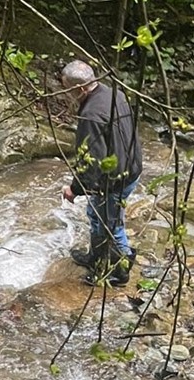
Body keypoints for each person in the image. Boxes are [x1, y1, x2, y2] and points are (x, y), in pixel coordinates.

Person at [60, 60, 142, 285]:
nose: (65, 94)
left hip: (115, 179)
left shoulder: (91, 115)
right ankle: (96, 257)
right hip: (130, 166)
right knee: (96, 214)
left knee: (112, 226)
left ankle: (120, 271)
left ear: (79, 89)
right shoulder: (113, 93)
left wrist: (74, 189)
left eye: (66, 89)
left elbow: (92, 162)